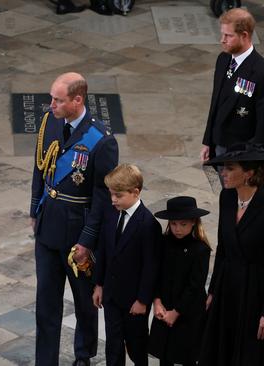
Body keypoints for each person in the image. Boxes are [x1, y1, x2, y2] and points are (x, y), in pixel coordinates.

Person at [30, 72, 118, 366]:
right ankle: (45, 360)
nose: (51, 104)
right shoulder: (50, 123)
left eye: (58, 100)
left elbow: (102, 198)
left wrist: (87, 240)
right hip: (48, 227)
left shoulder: (102, 142)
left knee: (83, 302)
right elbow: (39, 169)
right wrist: (34, 210)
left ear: (77, 100)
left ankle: (84, 355)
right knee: (46, 304)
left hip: (77, 232)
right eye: (52, 98)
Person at [199, 144, 264, 366]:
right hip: (228, 287)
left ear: (249, 173)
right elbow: (223, 249)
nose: (223, 173)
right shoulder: (227, 198)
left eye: (230, 169)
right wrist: (213, 291)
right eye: (223, 168)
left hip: (256, 291)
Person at [92, 164, 161, 366]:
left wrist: (142, 300)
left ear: (135, 192)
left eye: (118, 195)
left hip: (134, 301)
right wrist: (99, 284)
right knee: (113, 345)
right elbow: (103, 250)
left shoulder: (148, 224)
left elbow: (151, 266)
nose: (113, 200)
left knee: (136, 345)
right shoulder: (112, 213)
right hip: (112, 295)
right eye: (111, 194)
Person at [199, 8, 264, 164]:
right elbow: (215, 102)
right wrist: (208, 141)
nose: (222, 40)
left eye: (228, 35)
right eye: (222, 34)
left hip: (241, 153)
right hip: (218, 143)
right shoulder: (223, 60)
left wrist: (253, 160)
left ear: (244, 36)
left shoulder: (263, 74)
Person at [149, 196, 211, 366]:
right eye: (174, 224)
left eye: (183, 224)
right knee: (165, 353)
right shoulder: (163, 243)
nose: (177, 229)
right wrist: (157, 301)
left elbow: (195, 285)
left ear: (193, 222)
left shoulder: (200, 249)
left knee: (187, 355)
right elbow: (156, 274)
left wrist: (176, 312)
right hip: (165, 304)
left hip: (188, 310)